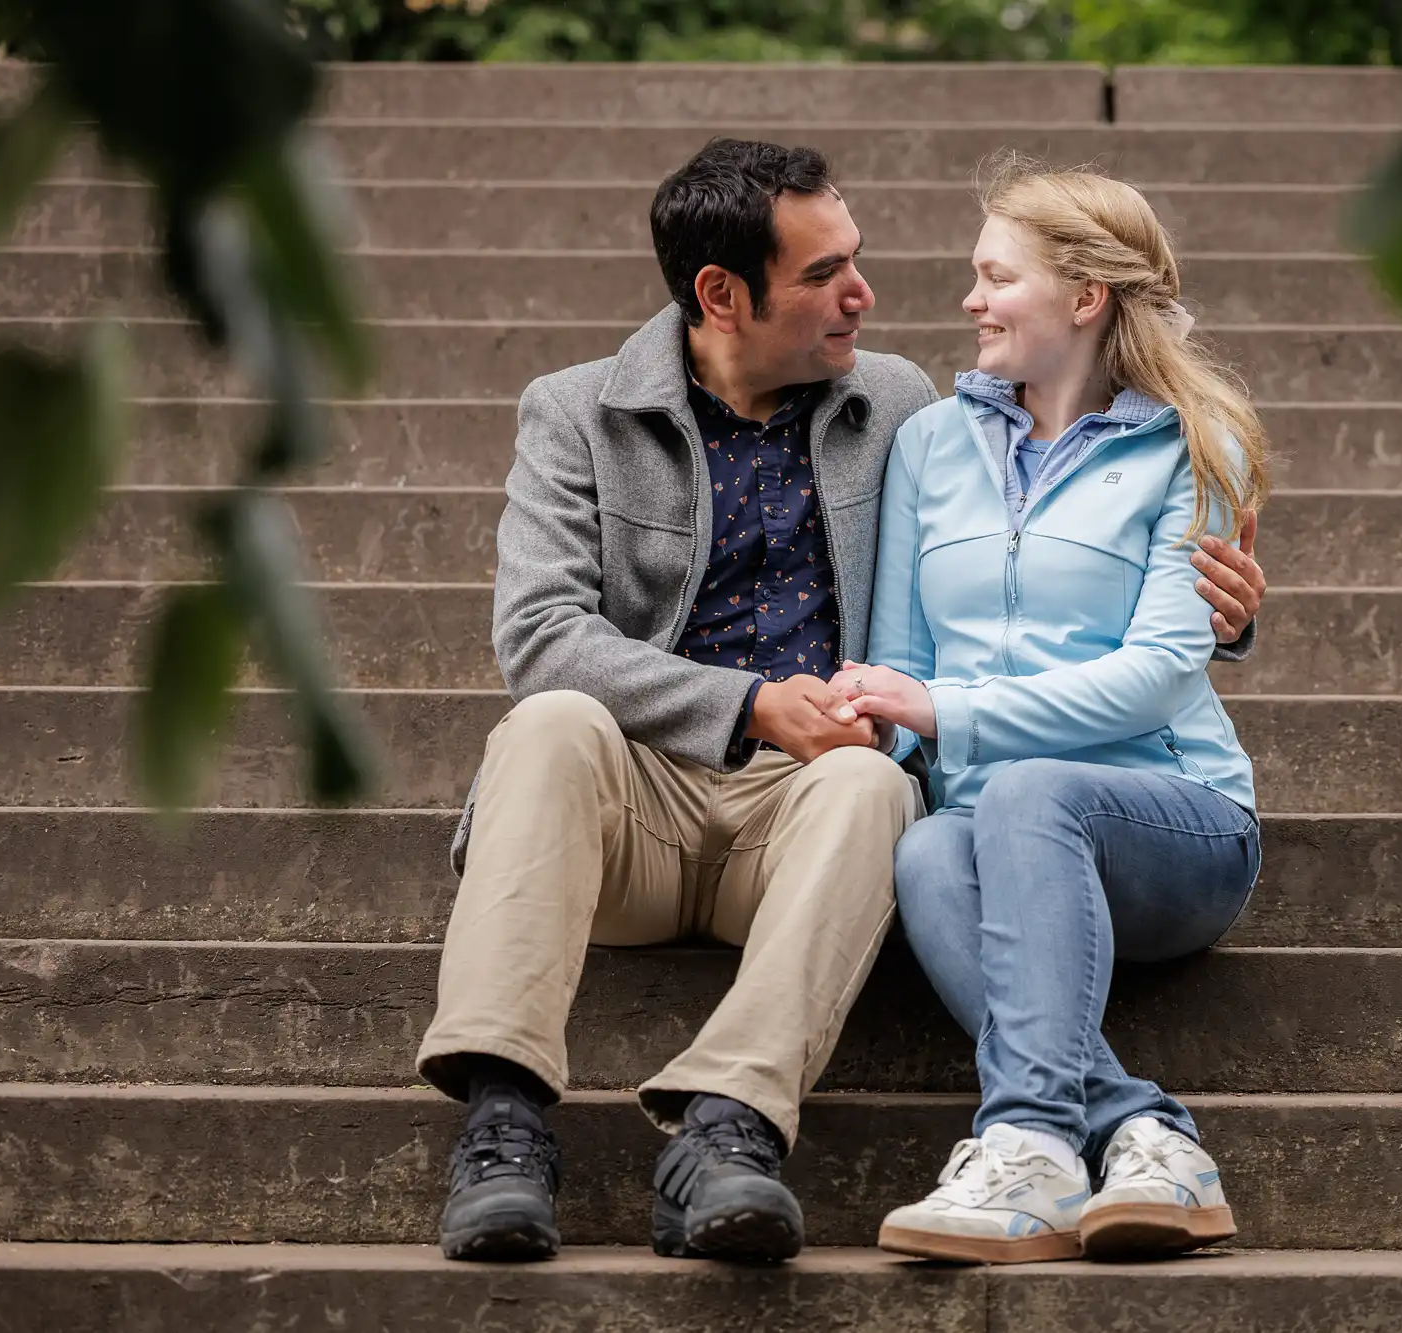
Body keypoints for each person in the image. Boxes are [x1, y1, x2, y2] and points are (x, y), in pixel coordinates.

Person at [413, 139, 1271, 1265]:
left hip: (815, 809)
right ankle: (503, 1124)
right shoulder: (579, 413)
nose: (865, 293)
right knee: (549, 720)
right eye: (824, 274)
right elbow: (538, 637)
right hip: (634, 801)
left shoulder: (897, 404)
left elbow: (1027, 600)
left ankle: (731, 1128)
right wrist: (751, 704)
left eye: (854, 260)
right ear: (722, 294)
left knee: (880, 786)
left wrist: (1218, 618)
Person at [829, 160, 1267, 1265]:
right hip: (994, 828)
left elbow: (1159, 672)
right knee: (928, 849)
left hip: (1174, 821)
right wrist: (872, 714)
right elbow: (904, 663)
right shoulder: (930, 443)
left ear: (1085, 296)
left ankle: (1027, 1137)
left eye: (995, 277)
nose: (970, 300)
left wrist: (949, 709)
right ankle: (1141, 1132)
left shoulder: (1194, 441)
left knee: (1024, 795)